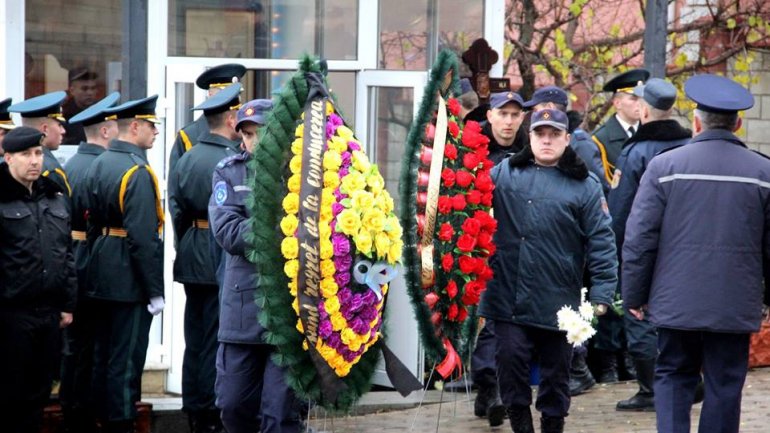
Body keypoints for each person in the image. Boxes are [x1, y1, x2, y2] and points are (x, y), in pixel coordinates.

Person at [622, 74, 770, 433]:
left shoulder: (665, 167)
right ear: (737, 124)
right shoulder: (763, 172)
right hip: (734, 301)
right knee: (725, 382)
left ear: (697, 121)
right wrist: (765, 298)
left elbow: (639, 239)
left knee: (673, 374)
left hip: (675, 301)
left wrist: (635, 295)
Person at [480, 108, 617, 433]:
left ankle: (553, 426)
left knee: (556, 377)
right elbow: (472, 206)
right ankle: (521, 426)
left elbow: (602, 242)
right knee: (510, 367)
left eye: (554, 134)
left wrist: (601, 294)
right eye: (540, 133)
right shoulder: (504, 174)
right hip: (508, 298)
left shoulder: (585, 185)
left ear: (567, 139)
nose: (546, 140)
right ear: (529, 137)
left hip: (559, 303)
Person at [210, 99, 300, 433]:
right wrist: (282, 227)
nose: (253, 141)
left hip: (289, 312)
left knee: (279, 418)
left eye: (259, 132)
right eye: (246, 134)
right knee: (233, 408)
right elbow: (228, 232)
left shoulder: (300, 174)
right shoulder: (229, 171)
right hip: (242, 310)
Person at [605, 78, 690, 412]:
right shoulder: (689, 145)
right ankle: (683, 379)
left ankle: (650, 389)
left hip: (646, 249)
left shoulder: (636, 151)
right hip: (684, 249)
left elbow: (621, 209)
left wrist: (614, 251)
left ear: (642, 108)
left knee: (638, 314)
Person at [84, 95, 165, 433]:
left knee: (102, 355)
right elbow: (143, 239)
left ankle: (100, 419)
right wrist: (154, 291)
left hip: (100, 268)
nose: (155, 132)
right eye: (150, 125)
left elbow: (90, 224)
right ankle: (121, 423)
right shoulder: (138, 170)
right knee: (126, 360)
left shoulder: (99, 163)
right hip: (129, 279)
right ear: (134, 127)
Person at [169, 83, 243, 433]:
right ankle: (211, 413)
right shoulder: (229, 160)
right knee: (216, 337)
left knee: (195, 335)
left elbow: (177, 209)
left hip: (192, 248)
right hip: (218, 251)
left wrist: (186, 242)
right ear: (230, 119)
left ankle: (193, 407)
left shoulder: (187, 156)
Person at [0, 126, 76, 433]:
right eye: (25, 154)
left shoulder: (54, 196)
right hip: (10, 315)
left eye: (38, 153)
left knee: (40, 393)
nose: (34, 161)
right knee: (9, 395)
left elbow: (65, 254)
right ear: (7, 158)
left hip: (48, 314)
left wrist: (68, 304)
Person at [58, 92, 120, 433]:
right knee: (94, 345)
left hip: (71, 256)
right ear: (107, 132)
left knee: (77, 344)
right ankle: (85, 412)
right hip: (91, 257)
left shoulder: (72, 165)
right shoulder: (99, 166)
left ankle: (73, 407)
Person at [169, 63, 246, 173]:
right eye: (226, 94)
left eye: (236, 94)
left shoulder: (245, 131)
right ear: (210, 95)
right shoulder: (189, 134)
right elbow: (175, 182)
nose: (234, 98)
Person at [9, 91, 71, 196]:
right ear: (45, 129)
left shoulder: (12, 162)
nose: (63, 131)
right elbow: (62, 210)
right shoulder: (50, 170)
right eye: (59, 125)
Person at [485, 91, 528, 164]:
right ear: (490, 116)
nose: (509, 122)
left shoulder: (530, 149)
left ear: (522, 118)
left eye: (515, 115)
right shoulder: (472, 148)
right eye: (503, 114)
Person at [62, 68, 100, 145]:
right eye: (84, 89)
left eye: (93, 88)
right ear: (72, 91)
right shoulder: (64, 114)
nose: (90, 93)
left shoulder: (101, 112)